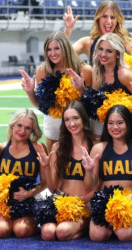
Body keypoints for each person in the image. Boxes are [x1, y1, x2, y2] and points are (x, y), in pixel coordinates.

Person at [0, 109, 47, 238]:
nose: (22, 131)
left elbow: (45, 183)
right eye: (19, 125)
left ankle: (29, 220)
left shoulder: (38, 148)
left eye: (28, 128)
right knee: (1, 231)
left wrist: (28, 193)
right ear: (12, 125)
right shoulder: (1, 147)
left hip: (28, 201)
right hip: (4, 203)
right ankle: (6, 219)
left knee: (21, 231)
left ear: (33, 130)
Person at [81, 105, 132, 242]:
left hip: (131, 200)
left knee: (124, 235)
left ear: (128, 124)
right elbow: (90, 186)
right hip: (105, 202)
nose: (115, 127)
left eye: (120, 123)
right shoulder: (98, 149)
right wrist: (89, 171)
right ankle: (113, 227)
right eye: (111, 123)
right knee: (97, 236)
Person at [20, 31, 93, 153]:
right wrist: (30, 92)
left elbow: (91, 106)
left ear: (65, 48)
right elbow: (41, 106)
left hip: (79, 127)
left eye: (57, 48)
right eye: (49, 49)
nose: (52, 53)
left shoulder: (84, 70)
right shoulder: (43, 70)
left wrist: (82, 90)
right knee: (54, 164)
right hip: (53, 127)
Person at [37, 102, 94, 241]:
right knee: (48, 233)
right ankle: (77, 229)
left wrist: (80, 202)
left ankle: (86, 224)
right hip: (61, 203)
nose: (71, 123)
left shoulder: (95, 146)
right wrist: (46, 168)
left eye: (75, 118)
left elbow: (99, 186)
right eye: (67, 120)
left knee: (62, 232)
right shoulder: (58, 147)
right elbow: (52, 188)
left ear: (84, 119)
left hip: (84, 205)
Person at [69, 33, 132, 139]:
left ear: (117, 53)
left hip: (128, 125)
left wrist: (121, 110)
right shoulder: (97, 71)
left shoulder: (124, 75)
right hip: (107, 125)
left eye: (109, 51)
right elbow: (95, 102)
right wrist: (81, 89)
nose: (103, 54)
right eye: (100, 49)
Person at [64, 2, 132, 67]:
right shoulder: (87, 43)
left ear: (117, 20)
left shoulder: (128, 44)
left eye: (112, 17)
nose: (109, 21)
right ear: (98, 19)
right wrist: (68, 30)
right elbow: (63, 55)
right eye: (104, 16)